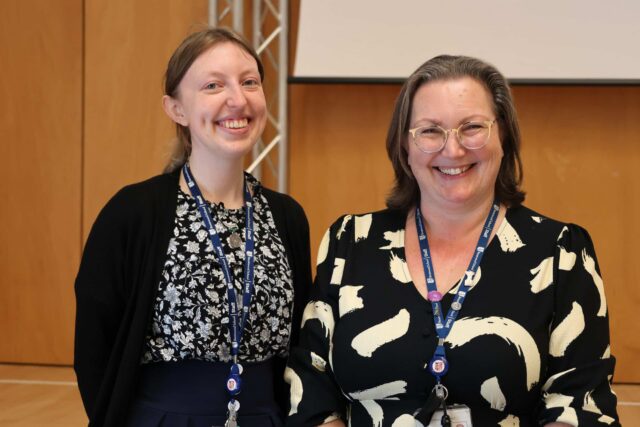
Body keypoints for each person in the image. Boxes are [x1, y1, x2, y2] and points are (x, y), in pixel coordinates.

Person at [285, 55, 619, 426]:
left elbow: (581, 405)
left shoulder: (561, 251)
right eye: (430, 131)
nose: (453, 149)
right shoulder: (351, 242)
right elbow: (310, 389)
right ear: (405, 147)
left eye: (472, 127)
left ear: (503, 135)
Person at [74, 27, 311, 427]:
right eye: (213, 85)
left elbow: (300, 346)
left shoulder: (286, 216)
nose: (237, 99)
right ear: (176, 109)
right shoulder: (133, 213)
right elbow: (95, 348)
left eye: (249, 82)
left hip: (265, 417)